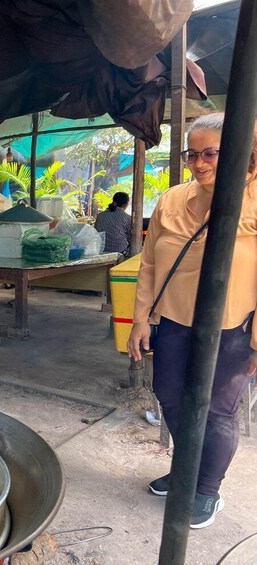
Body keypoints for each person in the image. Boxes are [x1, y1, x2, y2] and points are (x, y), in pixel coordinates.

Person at [127, 112, 257, 529]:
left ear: (239, 151)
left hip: (233, 328)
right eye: (192, 154)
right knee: (168, 394)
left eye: (211, 153)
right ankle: (188, 469)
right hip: (175, 322)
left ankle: (206, 489)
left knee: (218, 411)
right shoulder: (171, 201)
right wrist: (141, 318)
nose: (200, 163)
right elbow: (148, 265)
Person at [94, 191, 131, 256]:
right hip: (120, 251)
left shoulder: (100, 215)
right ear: (125, 204)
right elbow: (130, 237)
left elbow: (96, 231)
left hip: (102, 250)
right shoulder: (127, 218)